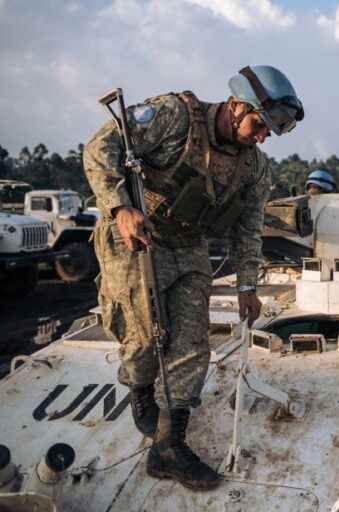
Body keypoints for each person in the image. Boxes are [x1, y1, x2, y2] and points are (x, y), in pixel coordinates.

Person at [83, 65, 304, 490]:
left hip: (189, 247)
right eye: (259, 125)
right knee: (145, 335)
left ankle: (169, 445)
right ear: (238, 106)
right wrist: (118, 207)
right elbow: (100, 148)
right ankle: (141, 390)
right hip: (137, 235)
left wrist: (246, 286)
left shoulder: (253, 169)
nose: (261, 138)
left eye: (269, 133)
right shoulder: (174, 117)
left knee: (191, 340)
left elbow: (249, 227)